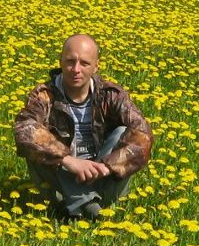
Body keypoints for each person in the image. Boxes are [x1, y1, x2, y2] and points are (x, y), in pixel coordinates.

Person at [14, 34, 152, 220]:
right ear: (61, 61)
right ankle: (90, 208)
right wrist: (69, 161)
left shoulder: (111, 95)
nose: (76, 69)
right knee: (36, 139)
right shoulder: (44, 96)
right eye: (70, 61)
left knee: (123, 132)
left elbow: (144, 133)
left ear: (96, 66)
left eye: (84, 63)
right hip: (62, 177)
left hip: (102, 178)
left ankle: (81, 207)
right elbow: (24, 129)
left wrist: (107, 166)